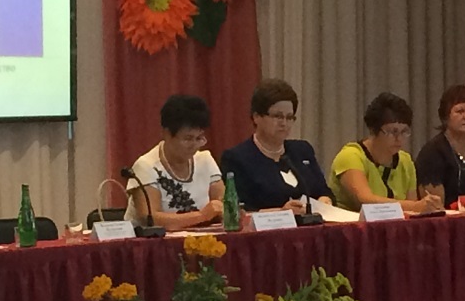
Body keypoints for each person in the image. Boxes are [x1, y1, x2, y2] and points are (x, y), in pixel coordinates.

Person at [220, 79, 333, 212]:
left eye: (289, 117)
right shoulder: (236, 158)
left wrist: (325, 200)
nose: (284, 123)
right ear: (256, 117)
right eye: (277, 116)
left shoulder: (302, 151)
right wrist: (281, 212)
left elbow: (324, 191)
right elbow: (239, 210)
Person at [328, 92, 442, 214]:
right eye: (392, 132)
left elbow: (411, 209)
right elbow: (365, 200)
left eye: (404, 131)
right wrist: (415, 206)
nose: (399, 138)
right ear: (373, 130)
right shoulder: (351, 156)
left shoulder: (405, 161)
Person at [125, 94, 224, 231]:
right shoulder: (146, 166)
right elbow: (151, 218)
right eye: (188, 139)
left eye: (199, 138)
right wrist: (202, 215)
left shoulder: (205, 160)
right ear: (166, 134)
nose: (194, 145)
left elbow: (224, 204)